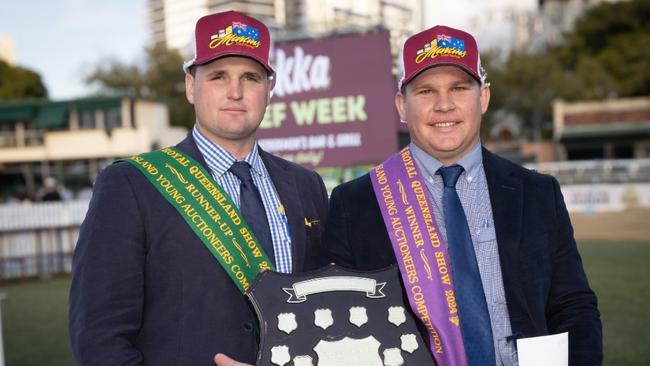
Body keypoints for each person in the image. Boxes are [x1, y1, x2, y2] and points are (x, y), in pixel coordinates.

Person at [322, 25, 602, 365]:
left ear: (482, 98)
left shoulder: (538, 193)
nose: (444, 105)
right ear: (401, 105)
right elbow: (344, 330)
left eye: (458, 88)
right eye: (426, 91)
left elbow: (573, 307)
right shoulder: (355, 204)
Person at [69, 10, 328, 366]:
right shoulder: (131, 185)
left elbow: (324, 309)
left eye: (250, 78)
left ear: (270, 88)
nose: (235, 92)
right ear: (191, 86)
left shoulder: (306, 185)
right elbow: (99, 338)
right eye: (218, 76)